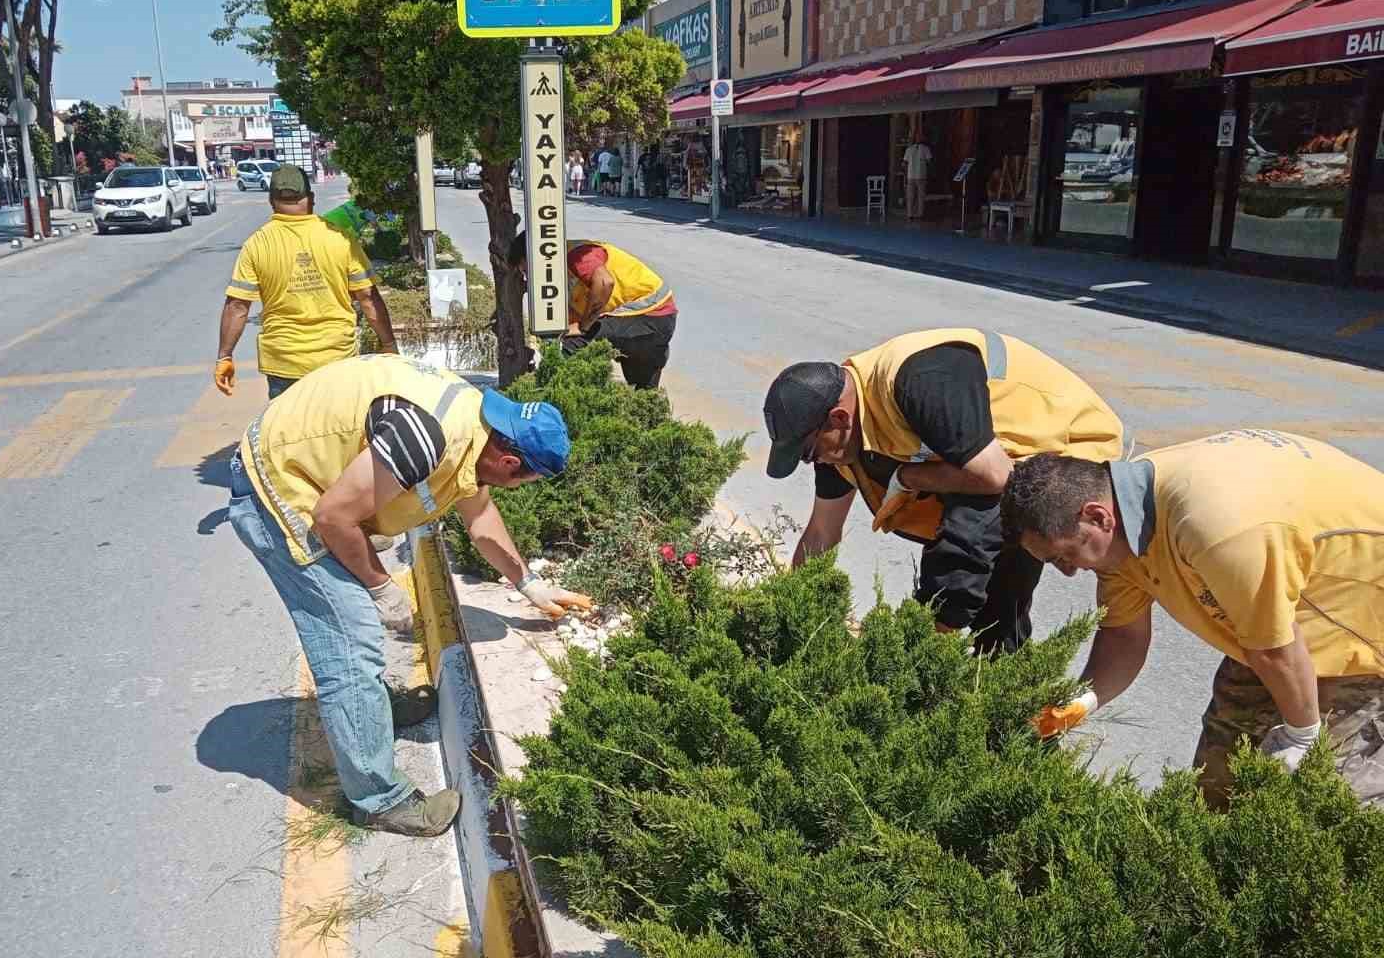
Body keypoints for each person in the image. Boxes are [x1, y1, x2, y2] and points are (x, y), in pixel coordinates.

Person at [229, 355, 592, 835]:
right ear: (508, 462)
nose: (521, 489)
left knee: (355, 627)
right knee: (351, 638)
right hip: (278, 486)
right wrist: (382, 588)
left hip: (308, 475)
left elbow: (480, 520)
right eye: (527, 480)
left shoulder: (476, 427)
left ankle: (370, 712)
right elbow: (333, 518)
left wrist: (529, 584)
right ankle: (378, 799)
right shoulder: (427, 438)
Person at [1003, 431, 1384, 809]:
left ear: (1097, 516)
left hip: (1360, 625)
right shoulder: (1123, 527)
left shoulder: (1218, 527)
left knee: (1330, 796)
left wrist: (1303, 736)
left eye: (1063, 557)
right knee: (1218, 780)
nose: (1068, 573)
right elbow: (1123, 636)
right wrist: (1080, 702)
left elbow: (1277, 649)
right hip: (1273, 628)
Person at [761, 328, 1123, 655]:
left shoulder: (918, 382)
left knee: (964, 560)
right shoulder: (841, 444)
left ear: (839, 419)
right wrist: (795, 613)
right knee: (981, 567)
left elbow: (996, 478)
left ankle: (930, 659)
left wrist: (909, 477)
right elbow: (822, 532)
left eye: (808, 452)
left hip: (1064, 442)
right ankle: (977, 669)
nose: (813, 463)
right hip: (991, 459)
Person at [215, 165, 397, 401]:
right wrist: (388, 344)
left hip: (284, 363)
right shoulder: (340, 239)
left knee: (291, 435)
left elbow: (237, 307)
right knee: (340, 432)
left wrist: (225, 356)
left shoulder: (256, 245)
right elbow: (367, 298)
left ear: (271, 201)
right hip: (337, 358)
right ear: (311, 198)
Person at [508, 232, 677, 389]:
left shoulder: (575, 255)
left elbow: (604, 283)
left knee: (567, 348)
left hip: (649, 313)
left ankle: (555, 401)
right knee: (642, 395)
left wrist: (583, 327)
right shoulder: (559, 278)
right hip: (650, 320)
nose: (527, 278)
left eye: (526, 270)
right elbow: (568, 320)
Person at [903, 134, 933, 220]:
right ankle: (920, 215)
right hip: (921, 175)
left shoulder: (909, 149)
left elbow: (904, 163)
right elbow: (929, 161)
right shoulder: (926, 149)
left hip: (910, 175)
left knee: (910, 196)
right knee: (921, 196)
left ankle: (910, 214)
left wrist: (905, 173)